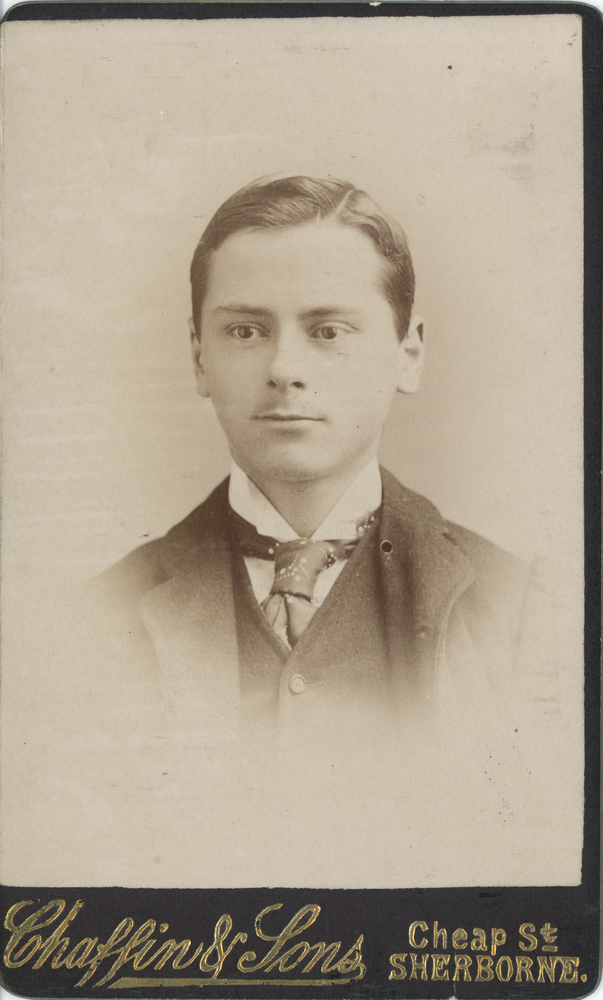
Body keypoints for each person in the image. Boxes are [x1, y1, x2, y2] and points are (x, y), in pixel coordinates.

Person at [18, 175, 582, 887]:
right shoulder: (86, 628)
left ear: (407, 352)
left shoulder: (522, 611)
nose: (284, 370)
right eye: (245, 331)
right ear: (199, 357)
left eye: (327, 331)